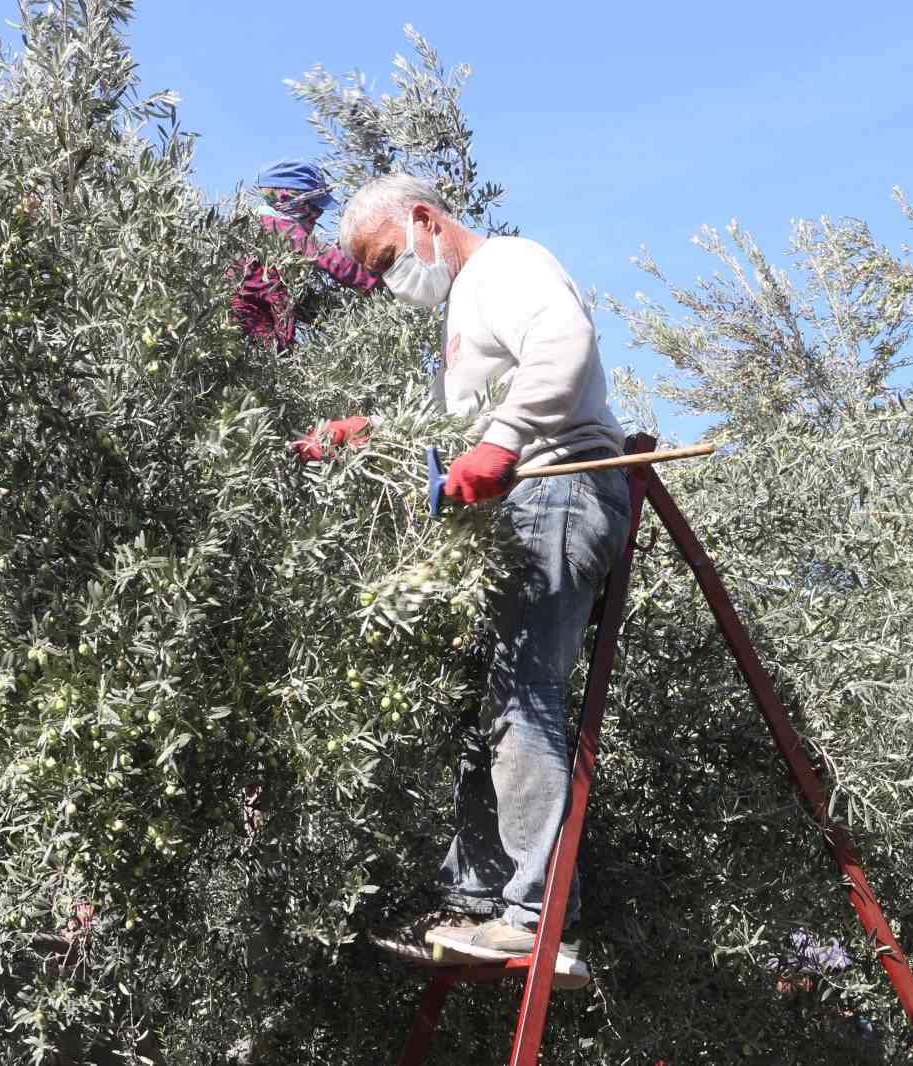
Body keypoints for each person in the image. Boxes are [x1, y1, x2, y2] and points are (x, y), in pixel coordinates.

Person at [315, 174, 631, 979]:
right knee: (488, 706)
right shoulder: (464, 306)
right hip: (523, 504)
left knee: (524, 697)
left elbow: (564, 341)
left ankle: (535, 917)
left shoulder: (507, 265)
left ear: (424, 218)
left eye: (387, 257)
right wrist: (366, 434)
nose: (389, 279)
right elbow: (453, 425)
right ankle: (480, 902)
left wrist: (505, 441)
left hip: (560, 488)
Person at [231, 159, 380, 359]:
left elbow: (285, 294)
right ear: (287, 198)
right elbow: (328, 258)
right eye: (314, 207)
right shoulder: (275, 227)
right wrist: (376, 283)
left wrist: (333, 317)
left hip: (266, 332)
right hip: (248, 331)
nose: (318, 214)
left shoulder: (269, 230)